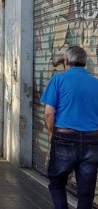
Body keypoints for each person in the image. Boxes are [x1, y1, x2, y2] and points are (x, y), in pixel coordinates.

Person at [41, 46, 98, 209]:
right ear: (85, 63)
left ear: (66, 62)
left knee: (57, 183)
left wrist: (52, 132)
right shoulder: (96, 83)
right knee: (86, 193)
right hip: (92, 141)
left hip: (64, 139)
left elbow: (48, 113)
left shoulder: (58, 80)